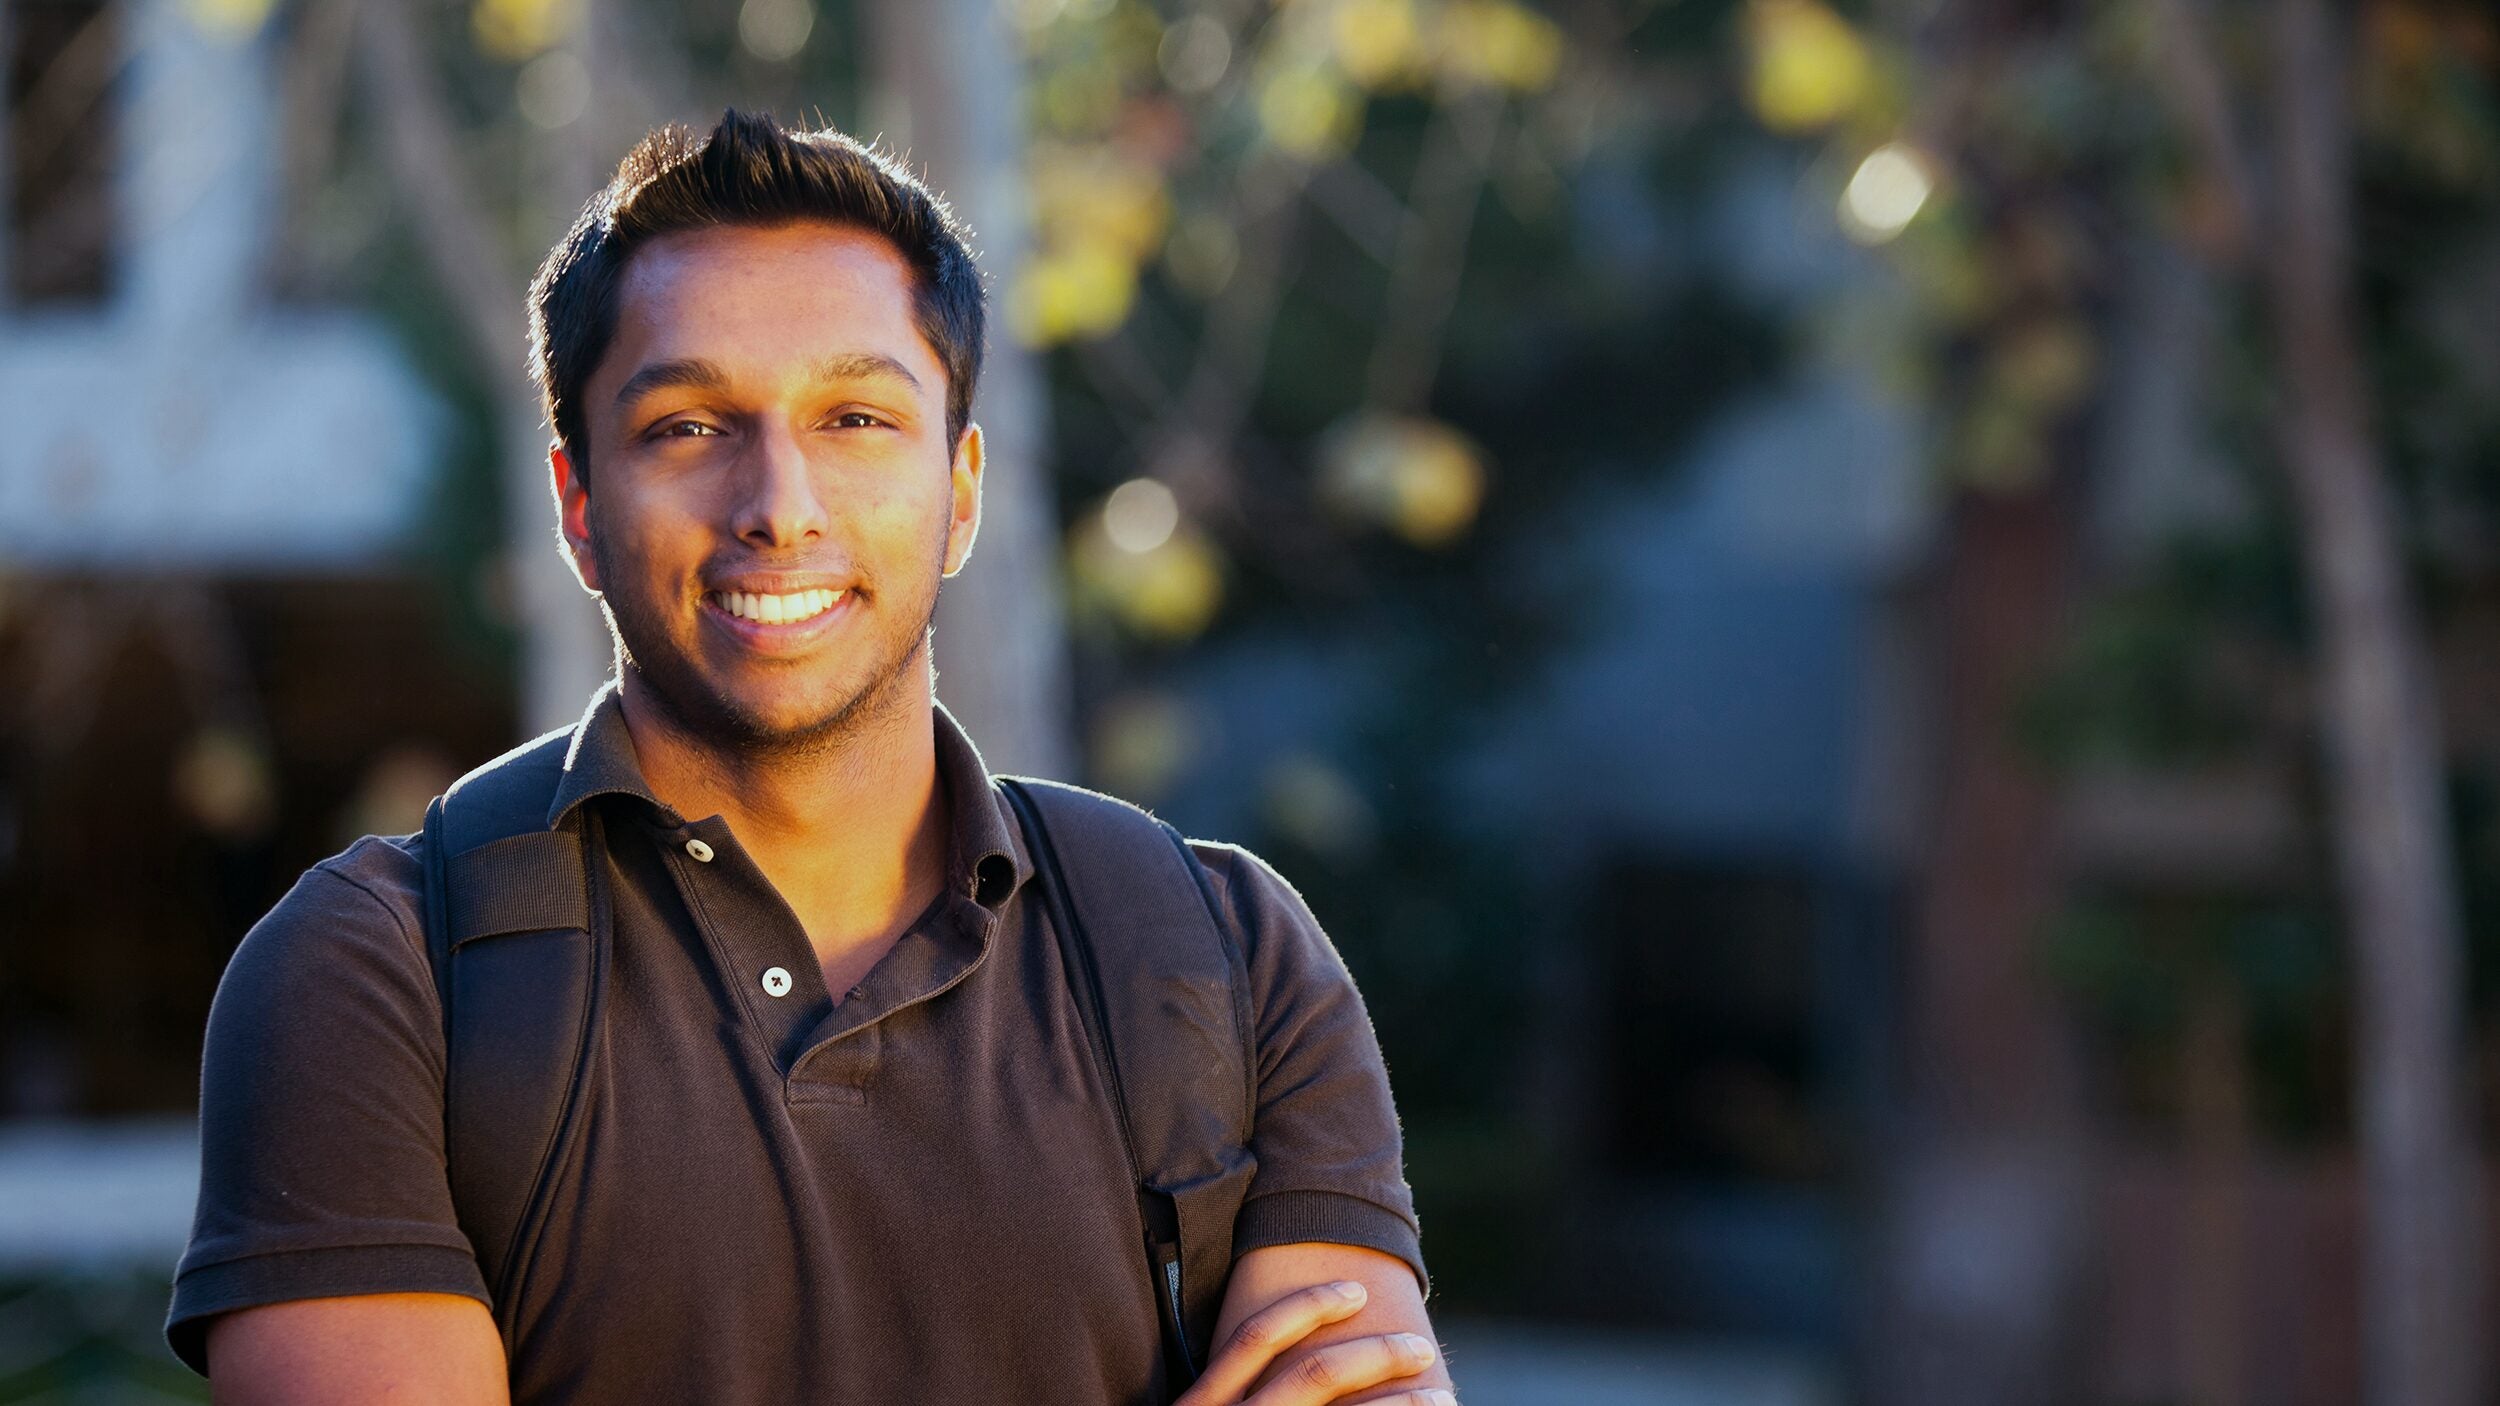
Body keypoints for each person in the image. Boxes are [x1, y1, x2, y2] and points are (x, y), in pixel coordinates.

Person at [166, 109, 1455, 1406]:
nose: (778, 504)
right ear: (577, 504)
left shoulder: (1220, 952)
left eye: (854, 418)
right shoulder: (381, 975)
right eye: (686, 425)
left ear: (961, 491)